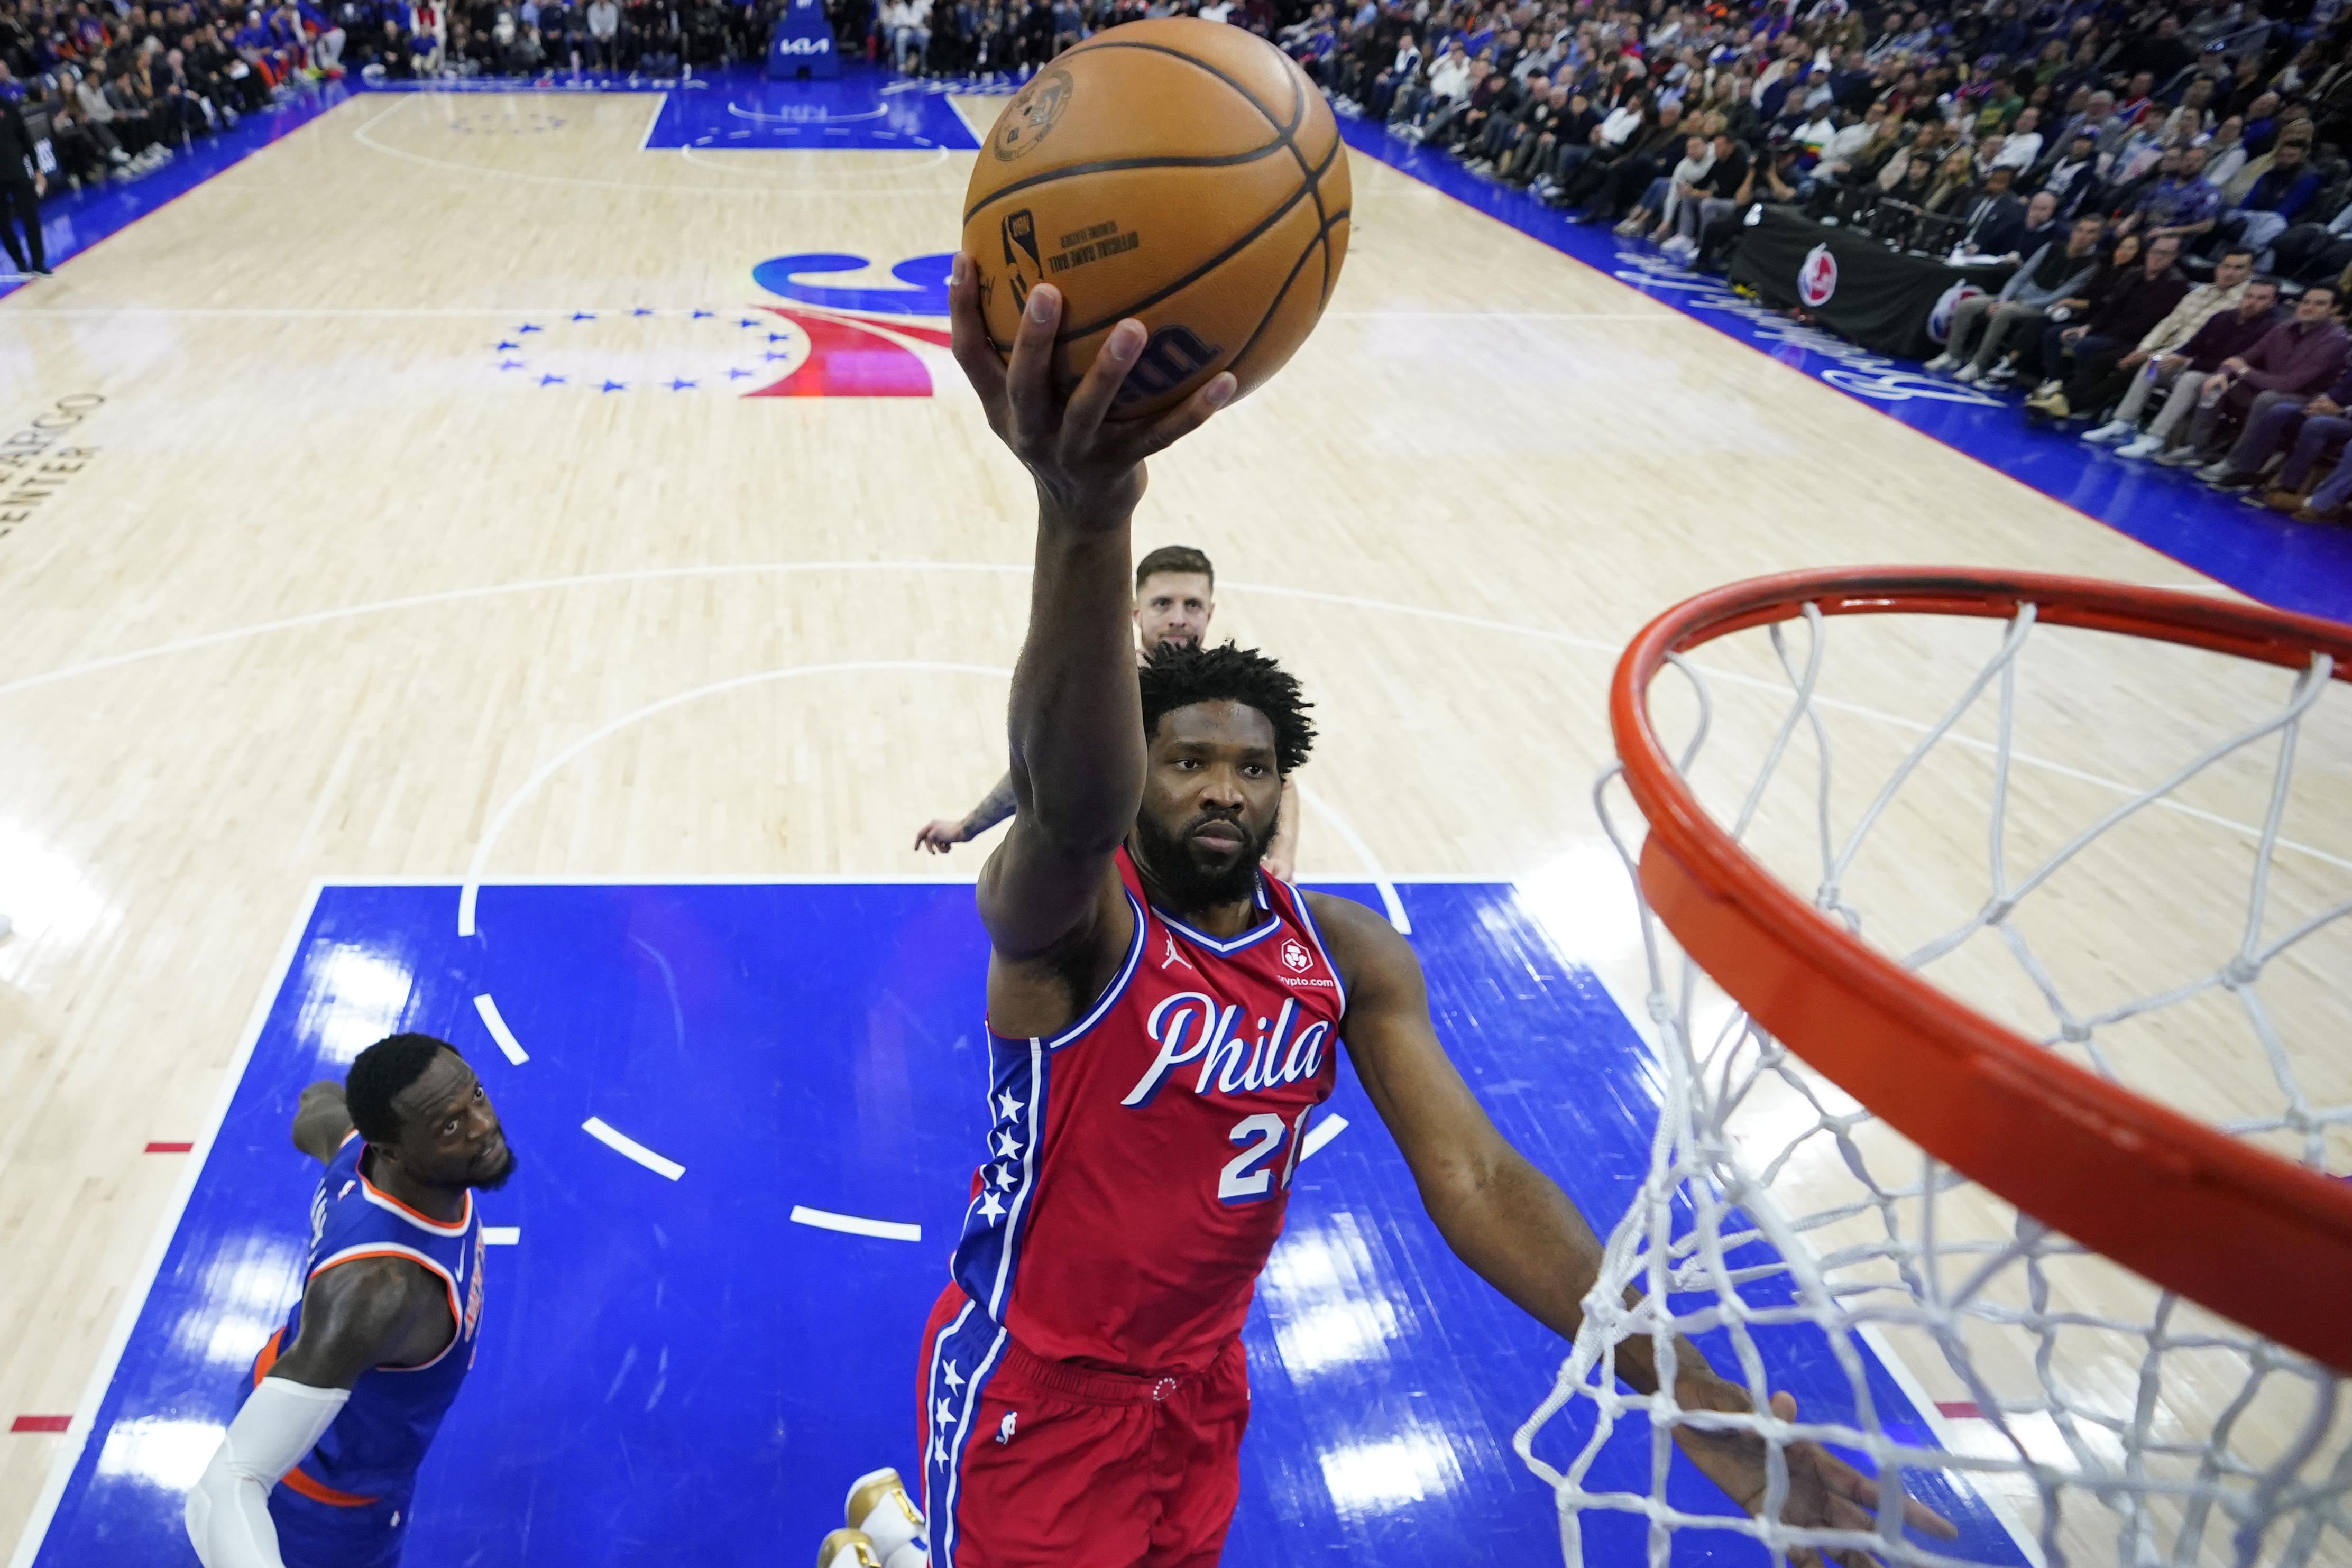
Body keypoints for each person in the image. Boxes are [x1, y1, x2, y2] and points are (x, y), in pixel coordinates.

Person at [886, 255, 1959, 1568]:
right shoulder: (1073, 928)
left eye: (1250, 766)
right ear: (1140, 772)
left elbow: (1484, 1182)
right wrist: (1084, 512)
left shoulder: (1341, 952)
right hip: (1035, 1399)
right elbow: (1065, 797)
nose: (1221, 788)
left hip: (1198, 1391)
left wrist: (1708, 1412)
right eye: (1186, 761)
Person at [184, 1034, 513, 1568]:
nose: (483, 1125)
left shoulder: (357, 1151)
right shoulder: (382, 1288)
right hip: (318, 1493)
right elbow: (225, 1486)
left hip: (300, 1370)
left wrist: (322, 1103)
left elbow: (318, 1109)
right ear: (393, 1151)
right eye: (449, 1125)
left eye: (476, 1094)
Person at [915, 545, 1301, 882]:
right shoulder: (1104, 692)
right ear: (1136, 612)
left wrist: (1281, 856)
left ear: (1210, 613)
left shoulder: (1227, 696)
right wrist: (968, 827)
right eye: (1163, 603)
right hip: (1111, 876)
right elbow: (1040, 768)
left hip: (1194, 877)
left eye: (1193, 605)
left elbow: (1280, 779)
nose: (1179, 618)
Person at [2047, 246, 2257, 426]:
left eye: (2238, 268)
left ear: (2250, 272)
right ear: (2218, 267)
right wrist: (2143, 349)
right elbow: (2168, 324)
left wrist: (2151, 355)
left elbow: (2201, 340)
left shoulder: (2243, 304)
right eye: (2226, 266)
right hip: (2158, 349)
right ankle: (2065, 399)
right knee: (2104, 359)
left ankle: (2077, 406)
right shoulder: (2200, 292)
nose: (2230, 273)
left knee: (2139, 369)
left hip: (2184, 360)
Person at [2179, 283, 2352, 485]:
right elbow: (2243, 357)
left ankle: (2235, 464)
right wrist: (2225, 373)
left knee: (2268, 399)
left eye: (2320, 304)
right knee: (2216, 382)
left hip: (2307, 399)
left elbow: (2289, 384)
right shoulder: (2284, 327)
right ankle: (2195, 448)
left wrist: (2243, 370)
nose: (2309, 307)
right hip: (2267, 385)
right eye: (2306, 302)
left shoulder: (2336, 341)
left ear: (2335, 310)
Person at [1926, 211, 2103, 380]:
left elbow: (2059, 295)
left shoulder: (2091, 265)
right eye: (2080, 230)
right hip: (2013, 298)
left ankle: (1978, 364)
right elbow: (2022, 275)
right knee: (1968, 305)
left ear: (2097, 237)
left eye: (2090, 233)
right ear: (2073, 231)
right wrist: (2003, 299)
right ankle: (1952, 354)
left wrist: (2016, 304)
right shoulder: (2052, 246)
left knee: (2004, 313)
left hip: (2041, 307)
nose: (2082, 236)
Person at [0, 91, 45, 276]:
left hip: (17, 172)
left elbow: (26, 139)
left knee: (31, 217)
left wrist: (37, 169)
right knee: (3, 223)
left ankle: (38, 263)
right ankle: (19, 262)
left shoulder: (9, 107)